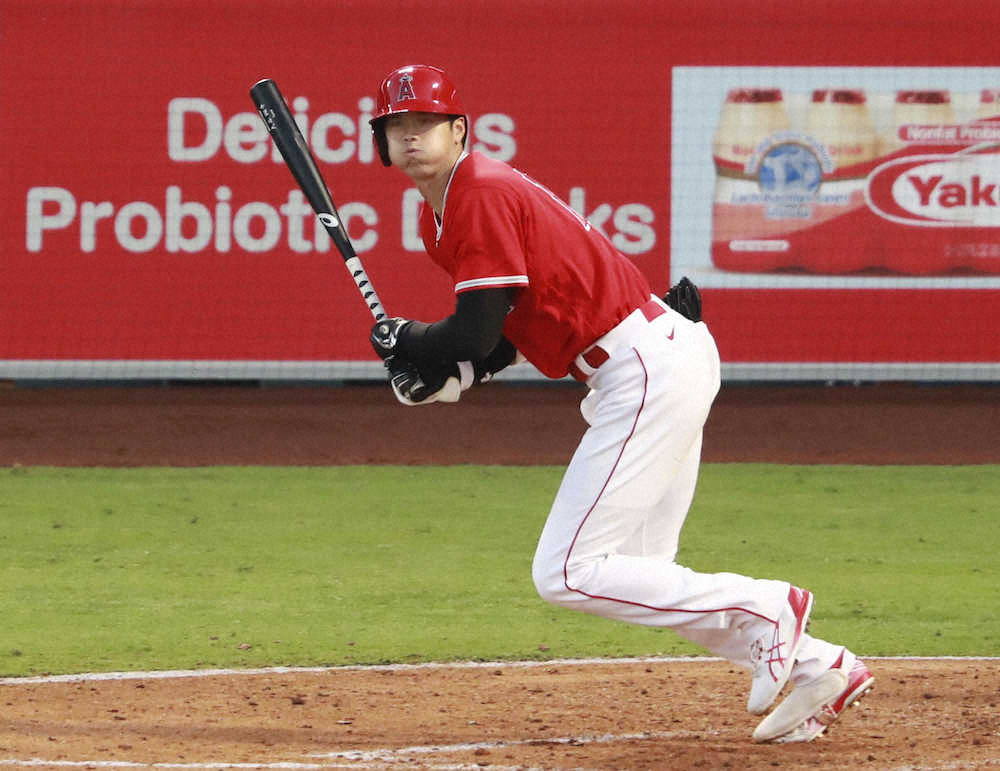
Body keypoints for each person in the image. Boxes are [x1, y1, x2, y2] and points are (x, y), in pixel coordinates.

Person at [366, 64, 873, 743]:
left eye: (426, 122)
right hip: (656, 359)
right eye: (397, 125)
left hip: (643, 369)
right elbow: (507, 329)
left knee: (566, 571)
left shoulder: (477, 192)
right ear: (381, 141)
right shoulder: (447, 212)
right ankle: (821, 666)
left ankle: (769, 606)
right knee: (641, 575)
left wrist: (408, 339)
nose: (411, 136)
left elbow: (474, 329)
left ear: (459, 130)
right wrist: (454, 373)